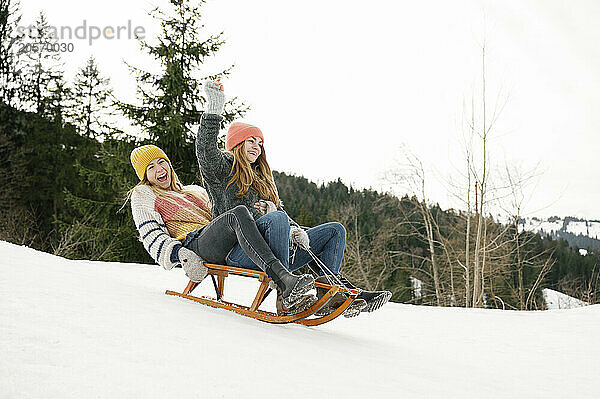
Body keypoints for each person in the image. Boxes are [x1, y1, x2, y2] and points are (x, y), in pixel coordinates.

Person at [196, 79, 392, 316]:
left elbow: (281, 218)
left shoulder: (263, 179)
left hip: (274, 251)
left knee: (334, 231)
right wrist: (214, 109)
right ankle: (286, 293)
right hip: (240, 252)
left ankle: (330, 291)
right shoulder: (222, 169)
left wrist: (296, 230)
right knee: (277, 218)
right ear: (237, 144)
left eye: (260, 143)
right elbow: (205, 150)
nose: (257, 147)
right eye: (251, 141)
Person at [128, 144, 315, 313]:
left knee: (267, 218)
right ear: (144, 176)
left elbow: (226, 216)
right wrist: (180, 255)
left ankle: (286, 294)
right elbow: (150, 234)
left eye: (162, 162)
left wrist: (276, 222)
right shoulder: (143, 193)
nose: (159, 169)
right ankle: (283, 278)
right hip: (196, 244)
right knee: (237, 214)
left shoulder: (194, 190)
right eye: (151, 167)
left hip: (220, 241)